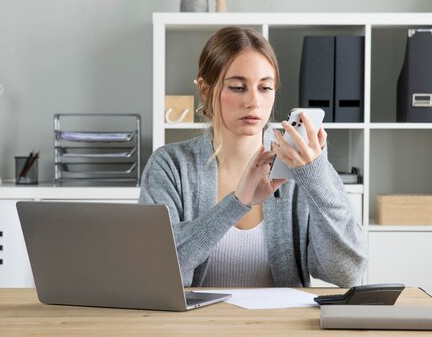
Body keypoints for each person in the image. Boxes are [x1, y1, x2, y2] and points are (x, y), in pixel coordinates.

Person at [139, 26, 367, 288]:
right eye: (237, 87)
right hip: (196, 328)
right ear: (205, 89)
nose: (253, 102)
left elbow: (347, 272)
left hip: (277, 327)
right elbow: (156, 268)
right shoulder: (170, 166)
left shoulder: (302, 166)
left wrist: (316, 179)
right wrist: (237, 203)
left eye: (265, 88)